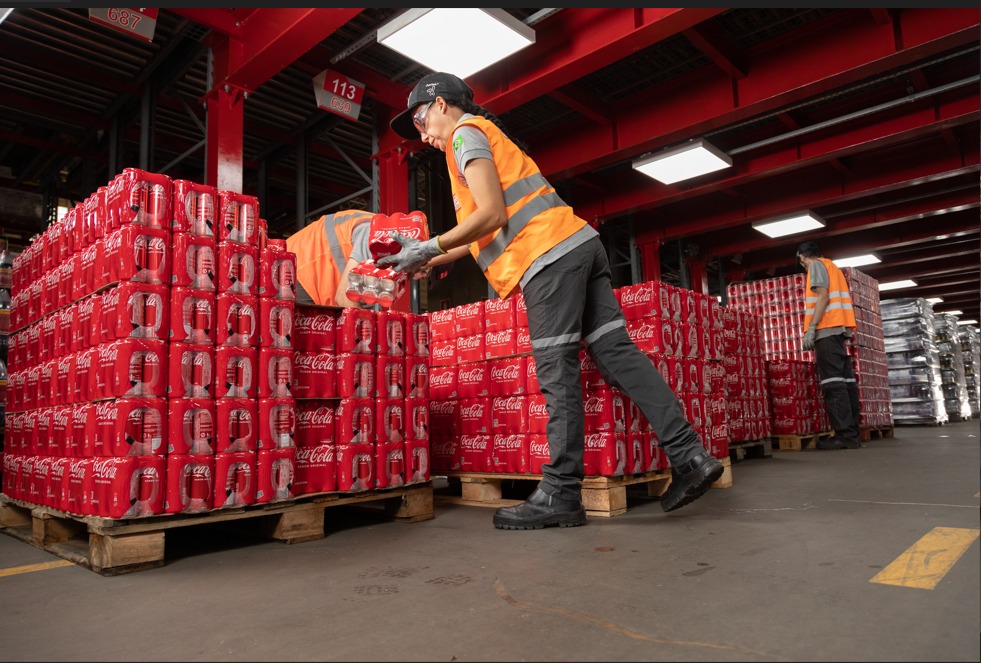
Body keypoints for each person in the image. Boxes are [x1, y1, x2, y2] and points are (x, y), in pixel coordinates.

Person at [383, 72, 723, 530]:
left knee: (556, 372)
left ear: (442, 105)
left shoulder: (465, 135)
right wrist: (433, 257)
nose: (422, 134)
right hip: (578, 245)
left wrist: (429, 246)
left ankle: (560, 493)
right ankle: (690, 456)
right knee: (618, 355)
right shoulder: (481, 139)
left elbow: (491, 214)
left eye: (422, 118)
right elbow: (487, 225)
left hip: (547, 259)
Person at [796, 241, 862, 450]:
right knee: (846, 383)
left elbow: (822, 297)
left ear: (802, 256)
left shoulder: (815, 266)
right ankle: (852, 433)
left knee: (833, 384)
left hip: (827, 330)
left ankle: (844, 435)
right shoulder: (832, 267)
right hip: (839, 331)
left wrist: (812, 328)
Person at [286, 209, 377, 307]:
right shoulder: (374, 235)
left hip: (307, 266)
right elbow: (345, 299)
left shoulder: (381, 230)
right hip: (299, 265)